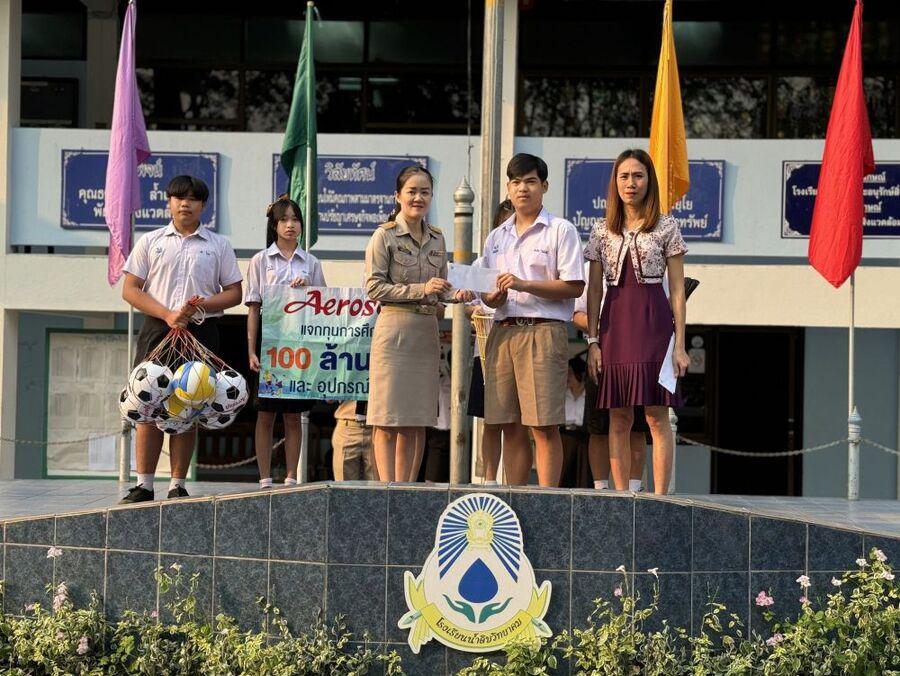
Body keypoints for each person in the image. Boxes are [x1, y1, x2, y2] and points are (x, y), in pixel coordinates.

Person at [120, 175, 243, 503]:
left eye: (192, 198)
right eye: (178, 197)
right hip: (157, 329)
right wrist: (167, 314)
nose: (184, 203)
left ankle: (177, 484)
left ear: (203, 205)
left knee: (189, 403)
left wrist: (200, 306)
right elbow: (130, 289)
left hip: (201, 331)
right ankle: (144, 485)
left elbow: (234, 293)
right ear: (169, 203)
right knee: (147, 401)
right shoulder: (151, 241)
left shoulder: (218, 244)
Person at [584, 148, 690, 495]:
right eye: (624, 176)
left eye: (638, 176)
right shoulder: (601, 230)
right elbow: (594, 290)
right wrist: (593, 341)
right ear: (615, 182)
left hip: (654, 325)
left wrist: (680, 344)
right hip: (614, 326)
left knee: (656, 416)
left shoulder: (667, 225)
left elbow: (677, 289)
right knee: (618, 416)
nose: (631, 183)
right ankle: (621, 497)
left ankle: (660, 498)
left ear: (649, 181)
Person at [480, 153, 585, 487]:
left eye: (530, 181)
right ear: (508, 188)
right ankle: (515, 495)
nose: (522, 188)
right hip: (502, 331)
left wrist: (523, 284)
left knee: (543, 425)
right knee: (508, 424)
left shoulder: (561, 230)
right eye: (516, 182)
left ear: (544, 186)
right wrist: (492, 297)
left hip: (543, 332)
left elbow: (574, 286)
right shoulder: (496, 237)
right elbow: (487, 292)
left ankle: (547, 499)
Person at [364, 165, 471, 482]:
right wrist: (420, 289)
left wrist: (457, 295)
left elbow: (441, 287)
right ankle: (387, 489)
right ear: (397, 196)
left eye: (425, 192)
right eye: (412, 191)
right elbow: (373, 288)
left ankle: (408, 489)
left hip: (426, 334)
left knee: (417, 418)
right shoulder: (384, 236)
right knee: (388, 418)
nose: (418, 198)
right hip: (394, 332)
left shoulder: (437, 238)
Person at [246, 195, 325, 489]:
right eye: (284, 220)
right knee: (265, 413)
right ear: (274, 225)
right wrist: (251, 350)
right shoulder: (260, 260)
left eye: (295, 219)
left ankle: (291, 477)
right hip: (270, 342)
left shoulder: (311, 262)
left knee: (293, 414)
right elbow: (253, 307)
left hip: (299, 343)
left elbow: (323, 307)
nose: (290, 225)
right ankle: (265, 478)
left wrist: (308, 290)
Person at [466, 199, 529, 486]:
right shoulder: (484, 262)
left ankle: (516, 487)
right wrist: (474, 309)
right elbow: (467, 301)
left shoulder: (528, 261)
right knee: (490, 421)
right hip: (486, 349)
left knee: (517, 423)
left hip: (520, 344)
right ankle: (489, 483)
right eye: (505, 223)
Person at [572, 261, 650, 491]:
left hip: (638, 351)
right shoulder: (592, 267)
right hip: (601, 350)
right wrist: (606, 327)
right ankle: (601, 487)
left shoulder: (648, 259)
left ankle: (634, 487)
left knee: (637, 424)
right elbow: (576, 313)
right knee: (598, 425)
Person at [331, 400, 377, 480]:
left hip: (378, 427)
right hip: (347, 426)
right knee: (344, 484)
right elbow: (329, 399)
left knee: (379, 483)